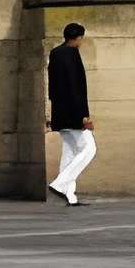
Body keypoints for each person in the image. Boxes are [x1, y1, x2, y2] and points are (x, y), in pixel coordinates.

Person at [47, 23, 96, 206]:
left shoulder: (56, 53)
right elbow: (76, 88)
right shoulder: (72, 54)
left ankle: (70, 196)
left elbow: (53, 87)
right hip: (73, 113)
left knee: (69, 153)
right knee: (89, 149)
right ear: (78, 38)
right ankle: (60, 184)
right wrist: (83, 116)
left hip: (60, 111)